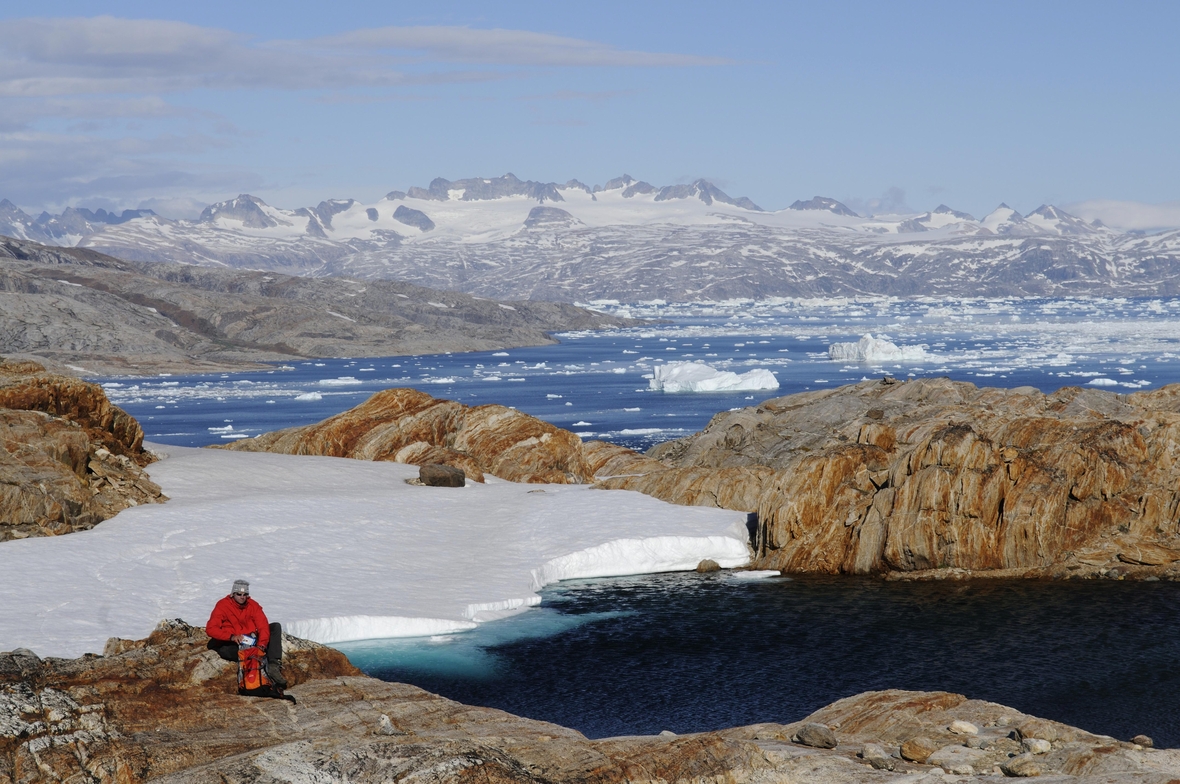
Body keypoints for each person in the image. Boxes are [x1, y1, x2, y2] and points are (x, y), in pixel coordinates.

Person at [206, 579, 286, 688]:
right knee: (225, 651)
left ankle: (273, 665)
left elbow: (263, 626)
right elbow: (211, 629)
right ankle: (253, 658)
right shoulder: (222, 605)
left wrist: (262, 645)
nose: (242, 597)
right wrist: (231, 637)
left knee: (275, 627)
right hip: (233, 642)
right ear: (233, 594)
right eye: (239, 594)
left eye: (245, 594)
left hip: (252, 640)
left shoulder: (253, 605)